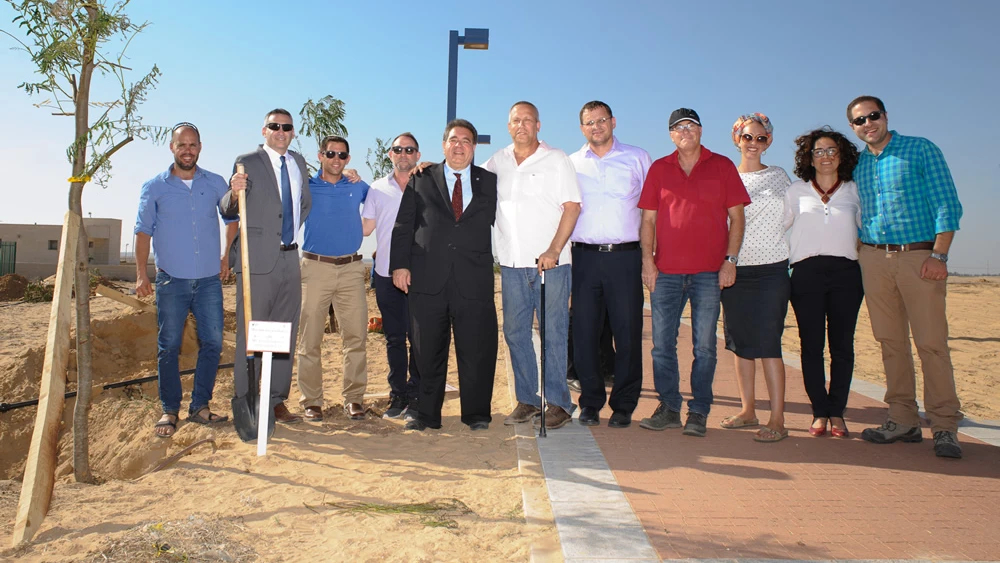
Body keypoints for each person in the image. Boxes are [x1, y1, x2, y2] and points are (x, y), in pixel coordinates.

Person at [848, 95, 964, 458]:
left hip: (919, 258)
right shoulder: (857, 165)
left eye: (873, 116)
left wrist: (939, 254)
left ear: (885, 116)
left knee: (931, 343)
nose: (868, 123)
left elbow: (947, 202)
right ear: (853, 127)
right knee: (889, 342)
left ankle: (944, 425)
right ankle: (903, 419)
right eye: (859, 120)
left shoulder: (920, 149)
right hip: (874, 259)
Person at [637, 108, 750, 437]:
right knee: (661, 346)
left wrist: (731, 260)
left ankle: (699, 411)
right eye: (677, 127)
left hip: (708, 274)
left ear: (700, 130)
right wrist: (647, 261)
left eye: (690, 125)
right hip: (666, 273)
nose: (684, 131)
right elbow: (648, 221)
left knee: (704, 347)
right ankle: (670, 407)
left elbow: (737, 218)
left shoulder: (722, 166)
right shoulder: (660, 169)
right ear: (671, 135)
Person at [390, 119, 498, 432]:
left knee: (477, 350)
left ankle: (476, 414)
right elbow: (403, 225)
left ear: (474, 147)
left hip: (474, 279)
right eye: (453, 139)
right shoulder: (421, 177)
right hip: (427, 277)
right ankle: (426, 415)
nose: (459, 145)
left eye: (466, 140)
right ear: (443, 145)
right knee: (426, 350)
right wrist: (400, 265)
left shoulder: (490, 181)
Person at [485, 101, 581, 430]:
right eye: (515, 120)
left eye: (528, 120)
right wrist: (431, 167)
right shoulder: (497, 161)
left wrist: (554, 249)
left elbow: (572, 207)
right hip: (511, 265)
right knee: (515, 333)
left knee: (553, 334)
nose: (521, 125)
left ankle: (559, 404)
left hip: (550, 265)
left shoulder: (557, 159)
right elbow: (465, 180)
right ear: (508, 125)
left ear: (538, 125)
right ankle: (527, 400)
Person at [135, 122, 231, 438]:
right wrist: (140, 274)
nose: (187, 150)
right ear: (172, 148)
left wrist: (225, 255)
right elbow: (143, 231)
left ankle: (200, 406)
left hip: (208, 281)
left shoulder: (215, 183)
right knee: (169, 346)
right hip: (170, 281)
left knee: (213, 343)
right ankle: (169, 410)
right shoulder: (155, 187)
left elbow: (232, 217)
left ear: (200, 147)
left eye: (192, 145)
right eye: (181, 144)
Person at [222, 108, 311, 425]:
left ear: (293, 132)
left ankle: (274, 401)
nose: (281, 131)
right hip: (257, 260)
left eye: (286, 127)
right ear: (264, 131)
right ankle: (247, 400)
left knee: (282, 332)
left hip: (290, 258)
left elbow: (305, 203)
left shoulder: (299, 163)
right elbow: (227, 207)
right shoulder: (247, 162)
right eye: (274, 126)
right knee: (253, 332)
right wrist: (234, 191)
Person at [568, 100, 651, 428]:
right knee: (585, 333)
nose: (596, 127)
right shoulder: (571, 163)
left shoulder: (637, 158)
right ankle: (590, 402)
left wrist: (648, 258)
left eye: (601, 120)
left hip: (626, 258)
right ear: (582, 128)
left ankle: (624, 405)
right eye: (589, 122)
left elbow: (650, 214)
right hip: (584, 259)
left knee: (628, 332)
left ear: (613, 122)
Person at [784, 127, 863, 439]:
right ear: (810, 157)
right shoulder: (796, 191)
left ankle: (837, 412)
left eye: (832, 150)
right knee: (811, 346)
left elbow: (867, 231)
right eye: (819, 151)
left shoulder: (855, 190)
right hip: (806, 274)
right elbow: (778, 227)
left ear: (841, 155)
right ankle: (819, 411)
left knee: (842, 347)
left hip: (846, 274)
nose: (826, 156)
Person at [718, 113, 792, 443]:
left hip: (773, 269)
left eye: (761, 138)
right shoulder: (724, 177)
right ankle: (748, 410)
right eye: (747, 137)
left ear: (769, 142)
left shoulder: (779, 176)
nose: (753, 144)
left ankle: (777, 418)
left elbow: (793, 216)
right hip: (734, 269)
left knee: (769, 342)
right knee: (740, 343)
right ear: (737, 139)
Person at [296, 135, 370, 422]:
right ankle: (311, 401)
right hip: (315, 269)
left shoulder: (358, 186)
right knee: (310, 339)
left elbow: (389, 195)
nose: (336, 160)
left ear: (348, 159)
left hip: (352, 269)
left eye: (342, 155)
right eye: (331, 154)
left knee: (355, 338)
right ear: (320, 156)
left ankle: (354, 399)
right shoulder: (307, 187)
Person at [362, 133, 422, 420]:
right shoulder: (376, 189)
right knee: (394, 339)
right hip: (385, 274)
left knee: (420, 339)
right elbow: (365, 229)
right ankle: (398, 396)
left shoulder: (428, 185)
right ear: (390, 154)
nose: (403, 154)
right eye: (398, 149)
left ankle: (417, 396)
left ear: (417, 155)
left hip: (420, 276)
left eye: (409, 150)